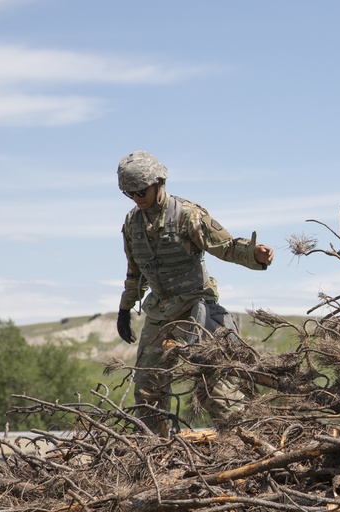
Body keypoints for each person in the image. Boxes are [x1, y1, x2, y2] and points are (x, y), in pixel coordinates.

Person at [115, 151, 274, 434]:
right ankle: (155, 451)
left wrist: (254, 255)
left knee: (217, 386)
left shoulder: (186, 214)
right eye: (129, 193)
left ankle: (244, 441)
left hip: (196, 308)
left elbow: (224, 246)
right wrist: (125, 309)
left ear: (159, 183)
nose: (137, 197)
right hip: (160, 311)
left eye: (142, 191)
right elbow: (134, 271)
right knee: (147, 388)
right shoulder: (132, 223)